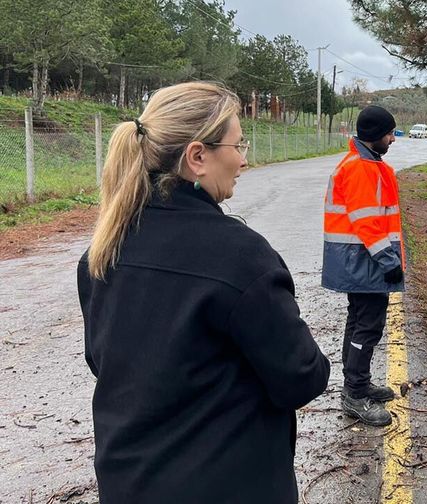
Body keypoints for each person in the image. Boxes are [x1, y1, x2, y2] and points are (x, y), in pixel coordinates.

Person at [77, 82, 330, 503]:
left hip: (126, 483)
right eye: (238, 144)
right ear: (198, 156)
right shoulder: (240, 256)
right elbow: (302, 378)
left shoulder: (103, 251)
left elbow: (102, 361)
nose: (244, 159)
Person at [322, 105, 404, 427]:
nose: (392, 139)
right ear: (375, 135)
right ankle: (355, 394)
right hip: (365, 261)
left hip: (361, 260)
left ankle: (357, 382)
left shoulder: (366, 163)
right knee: (367, 325)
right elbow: (366, 221)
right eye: (390, 133)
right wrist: (389, 260)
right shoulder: (361, 168)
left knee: (358, 321)